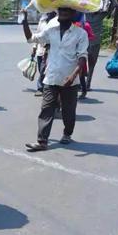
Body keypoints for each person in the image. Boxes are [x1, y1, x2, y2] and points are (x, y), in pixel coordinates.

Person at [22, 8, 89, 151]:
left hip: (69, 80)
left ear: (72, 15)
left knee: (68, 111)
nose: (61, 14)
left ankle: (67, 133)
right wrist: (25, 20)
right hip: (51, 77)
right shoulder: (51, 31)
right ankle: (42, 141)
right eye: (60, 11)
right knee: (46, 109)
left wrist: (73, 75)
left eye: (65, 12)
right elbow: (31, 39)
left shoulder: (80, 34)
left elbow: (83, 57)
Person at [32, 12, 57, 96]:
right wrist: (34, 47)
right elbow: (37, 34)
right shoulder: (42, 20)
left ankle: (41, 88)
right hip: (41, 50)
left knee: (45, 70)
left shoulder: (57, 21)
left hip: (52, 51)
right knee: (41, 70)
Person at [72, 12, 95, 99]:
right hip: (71, 52)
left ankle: (84, 90)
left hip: (82, 52)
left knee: (81, 72)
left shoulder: (87, 26)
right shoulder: (72, 24)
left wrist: (84, 39)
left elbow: (92, 36)